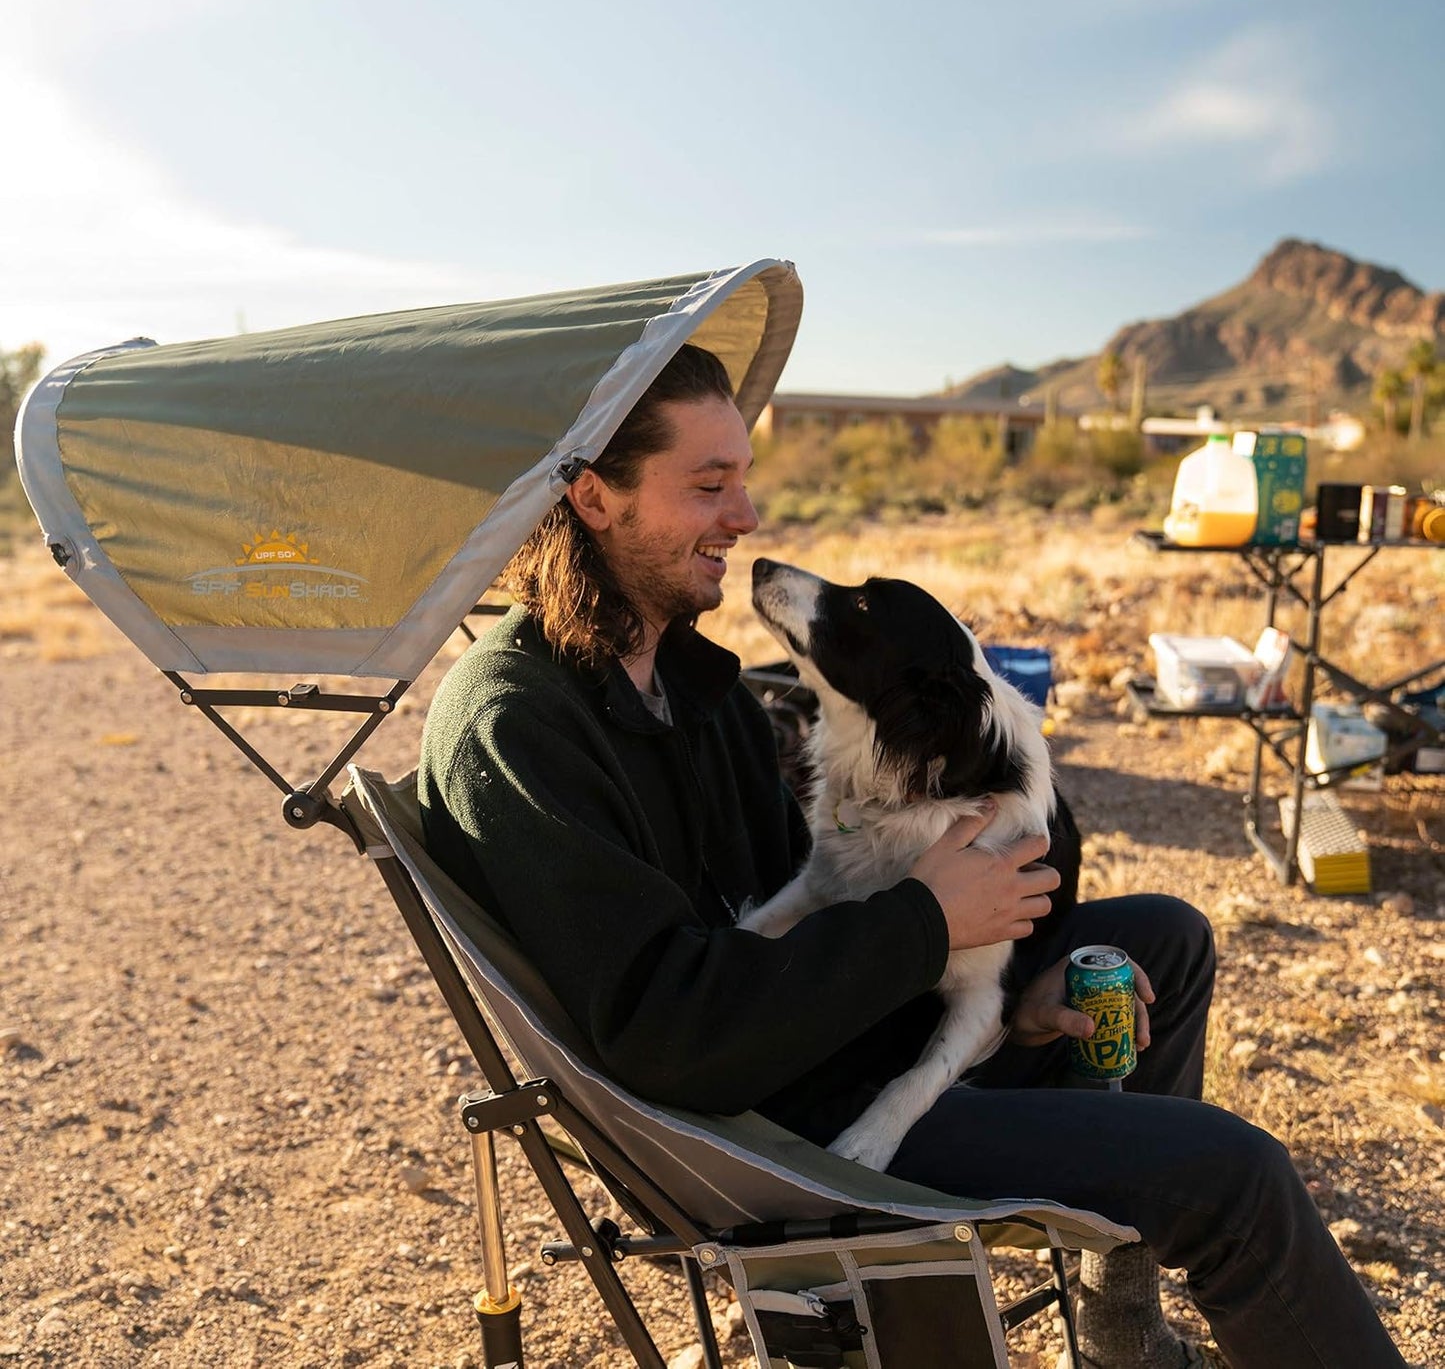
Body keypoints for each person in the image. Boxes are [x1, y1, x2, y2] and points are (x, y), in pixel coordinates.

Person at [418, 343, 1406, 1368]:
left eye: (742, 480)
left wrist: (996, 1010)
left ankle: (1117, 1318)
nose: (745, 516)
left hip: (837, 1031)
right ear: (592, 498)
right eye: (709, 485)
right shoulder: (518, 721)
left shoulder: (675, 670)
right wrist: (929, 922)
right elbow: (665, 1030)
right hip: (783, 1125)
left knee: (1163, 935)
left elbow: (799, 899)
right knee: (1236, 1174)